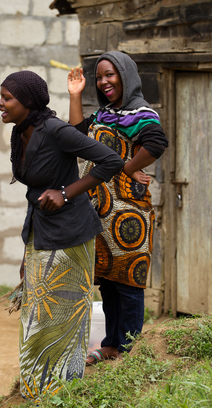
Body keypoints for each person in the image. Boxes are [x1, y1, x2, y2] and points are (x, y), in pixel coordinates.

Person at [0, 70, 124, 402]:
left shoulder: (56, 131)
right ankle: (36, 388)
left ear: (26, 102)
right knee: (36, 312)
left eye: (7, 98)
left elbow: (110, 160)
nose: (0, 103)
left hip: (70, 233)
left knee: (61, 315)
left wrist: (66, 193)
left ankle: (62, 389)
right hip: (41, 229)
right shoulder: (21, 132)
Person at [68, 51, 169, 364]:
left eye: (109, 74)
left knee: (128, 281)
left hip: (129, 212)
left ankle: (129, 349)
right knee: (109, 282)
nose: (103, 82)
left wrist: (126, 167)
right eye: (99, 77)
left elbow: (156, 143)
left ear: (125, 75)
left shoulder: (140, 113)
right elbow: (77, 135)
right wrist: (75, 95)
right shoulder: (105, 114)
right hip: (102, 211)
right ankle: (112, 345)